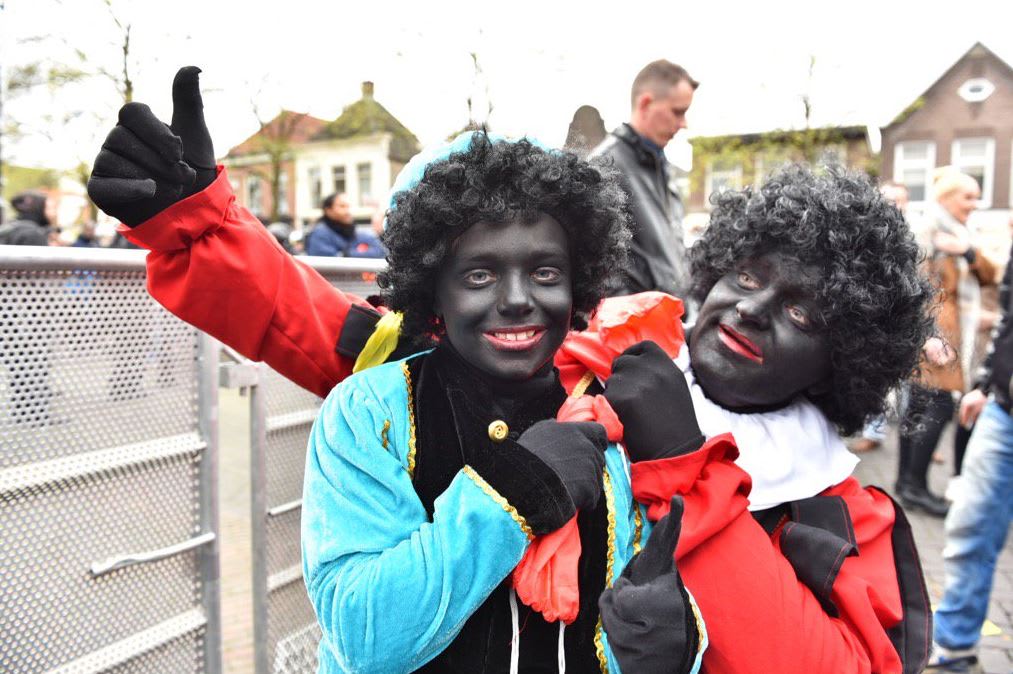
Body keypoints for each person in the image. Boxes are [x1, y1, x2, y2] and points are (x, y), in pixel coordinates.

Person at [88, 66, 934, 672]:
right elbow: (354, 341)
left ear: (847, 354)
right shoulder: (595, 353)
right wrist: (200, 227)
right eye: (746, 276)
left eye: (802, 313)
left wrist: (684, 475)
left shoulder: (839, 512)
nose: (750, 310)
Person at [927, 235, 1012, 673]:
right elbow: (1010, 322)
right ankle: (954, 645)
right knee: (971, 527)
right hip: (1004, 412)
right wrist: (986, 383)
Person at [896, 168, 996, 517]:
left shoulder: (961, 234)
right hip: (937, 335)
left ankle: (908, 484)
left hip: (949, 333)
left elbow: (990, 275)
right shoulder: (927, 233)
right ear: (947, 197)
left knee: (922, 407)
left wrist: (967, 251)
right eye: (968, 197)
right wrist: (929, 336)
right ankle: (914, 485)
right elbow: (918, 290)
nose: (974, 203)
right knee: (933, 407)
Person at [588, 60, 697, 300]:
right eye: (678, 111)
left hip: (670, 322)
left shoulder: (662, 168)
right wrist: (640, 319)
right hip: (640, 328)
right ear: (646, 103)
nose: (683, 123)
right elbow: (596, 268)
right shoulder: (605, 167)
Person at [304, 192, 384, 258]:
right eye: (342, 206)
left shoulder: (356, 233)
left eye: (348, 206)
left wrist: (346, 254)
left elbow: (380, 251)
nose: (347, 211)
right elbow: (329, 260)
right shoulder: (320, 233)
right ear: (328, 210)